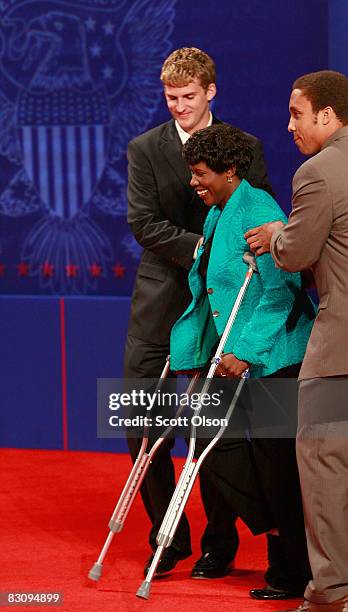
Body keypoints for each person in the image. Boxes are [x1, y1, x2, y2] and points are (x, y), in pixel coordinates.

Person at [124, 46, 273, 579]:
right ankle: (168, 537)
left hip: (222, 307)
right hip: (160, 301)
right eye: (170, 98)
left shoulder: (243, 147)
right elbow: (144, 223)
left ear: (211, 91)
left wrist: (221, 257)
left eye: (188, 97)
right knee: (142, 421)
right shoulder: (144, 148)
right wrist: (202, 249)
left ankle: (219, 543)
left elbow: (257, 212)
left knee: (214, 428)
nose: (179, 107)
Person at [170, 123, 315, 599]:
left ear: (229, 170)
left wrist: (246, 352)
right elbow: (207, 289)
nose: (194, 182)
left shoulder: (257, 211)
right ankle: (273, 527)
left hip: (276, 357)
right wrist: (194, 350)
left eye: (200, 173)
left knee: (278, 464)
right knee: (208, 435)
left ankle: (291, 571)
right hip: (230, 354)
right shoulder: (217, 211)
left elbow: (281, 294)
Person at [245, 70, 348, 612]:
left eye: (296, 113)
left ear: (326, 116)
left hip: (338, 357)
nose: (289, 125)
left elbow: (297, 252)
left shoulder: (319, 172)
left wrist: (273, 236)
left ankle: (332, 594)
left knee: (327, 471)